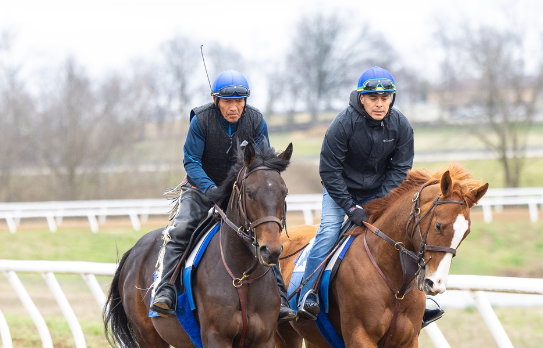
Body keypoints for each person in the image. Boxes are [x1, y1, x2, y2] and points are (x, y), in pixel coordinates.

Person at [297, 67, 442, 326]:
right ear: (361, 98)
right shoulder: (342, 124)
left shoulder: (401, 126)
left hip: (380, 192)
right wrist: (351, 208)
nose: (379, 104)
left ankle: (419, 302)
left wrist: (380, 202)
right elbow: (329, 171)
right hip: (340, 191)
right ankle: (308, 294)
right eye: (373, 98)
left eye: (385, 98)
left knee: (406, 234)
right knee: (329, 231)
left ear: (392, 99)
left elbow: (400, 169)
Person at [150, 70, 295, 321]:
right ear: (216, 101)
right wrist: (210, 190)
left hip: (240, 191)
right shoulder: (201, 120)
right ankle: (165, 290)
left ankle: (281, 298)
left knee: (265, 236)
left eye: (239, 101)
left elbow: (262, 162)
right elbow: (191, 161)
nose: (234, 107)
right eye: (228, 102)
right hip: (201, 189)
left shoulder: (256, 120)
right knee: (182, 228)